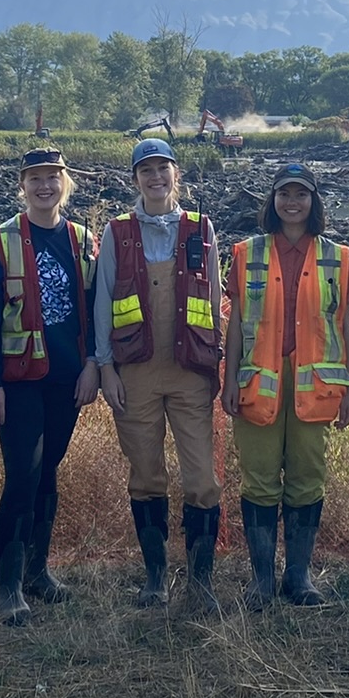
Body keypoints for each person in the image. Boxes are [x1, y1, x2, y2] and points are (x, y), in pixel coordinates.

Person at [89, 137, 224, 607]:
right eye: (146, 171)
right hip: (135, 373)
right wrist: (106, 369)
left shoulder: (201, 228)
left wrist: (214, 368)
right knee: (146, 477)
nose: (155, 178)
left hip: (190, 372)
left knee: (202, 481)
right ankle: (155, 578)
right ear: (135, 179)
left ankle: (201, 583)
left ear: (175, 175)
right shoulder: (117, 232)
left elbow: (213, 304)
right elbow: (103, 302)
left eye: (163, 169)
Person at [220, 162, 349, 609]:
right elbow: (236, 323)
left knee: (306, 480)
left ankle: (298, 577)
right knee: (258, 481)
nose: (292, 202)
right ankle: (262, 579)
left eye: (301, 194)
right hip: (258, 385)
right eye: (284, 194)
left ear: (314, 201)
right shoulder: (246, 253)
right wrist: (228, 380)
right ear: (272, 202)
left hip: (314, 388)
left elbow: (346, 325)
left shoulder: (338, 257)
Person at [0, 147, 98, 625]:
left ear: (65, 184)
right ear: (22, 186)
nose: (44, 185)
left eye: (53, 177)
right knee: (22, 476)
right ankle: (8, 586)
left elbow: (93, 310)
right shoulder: (2, 240)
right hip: (19, 379)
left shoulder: (83, 238)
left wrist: (93, 365)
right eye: (35, 178)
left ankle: (37, 573)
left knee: (48, 473)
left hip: (69, 377)